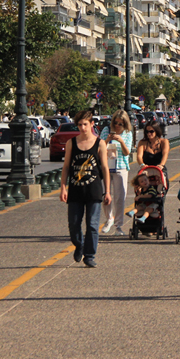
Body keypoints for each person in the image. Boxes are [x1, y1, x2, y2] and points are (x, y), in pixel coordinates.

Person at [60, 109, 111, 268]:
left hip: (94, 190)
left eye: (85, 124)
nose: (82, 128)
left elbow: (104, 168)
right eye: (80, 125)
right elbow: (66, 167)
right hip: (75, 190)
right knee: (74, 225)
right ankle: (79, 244)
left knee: (92, 225)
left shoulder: (99, 143)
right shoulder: (71, 143)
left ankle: (89, 255)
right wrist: (63, 188)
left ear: (92, 124)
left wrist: (107, 191)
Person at [99, 110, 133, 235]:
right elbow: (99, 148)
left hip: (121, 167)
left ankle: (119, 225)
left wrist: (121, 141)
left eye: (121, 124)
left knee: (120, 197)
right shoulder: (106, 130)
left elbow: (127, 152)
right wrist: (107, 140)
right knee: (105, 195)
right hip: (107, 166)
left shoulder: (127, 133)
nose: (117, 126)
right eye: (116, 123)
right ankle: (109, 218)